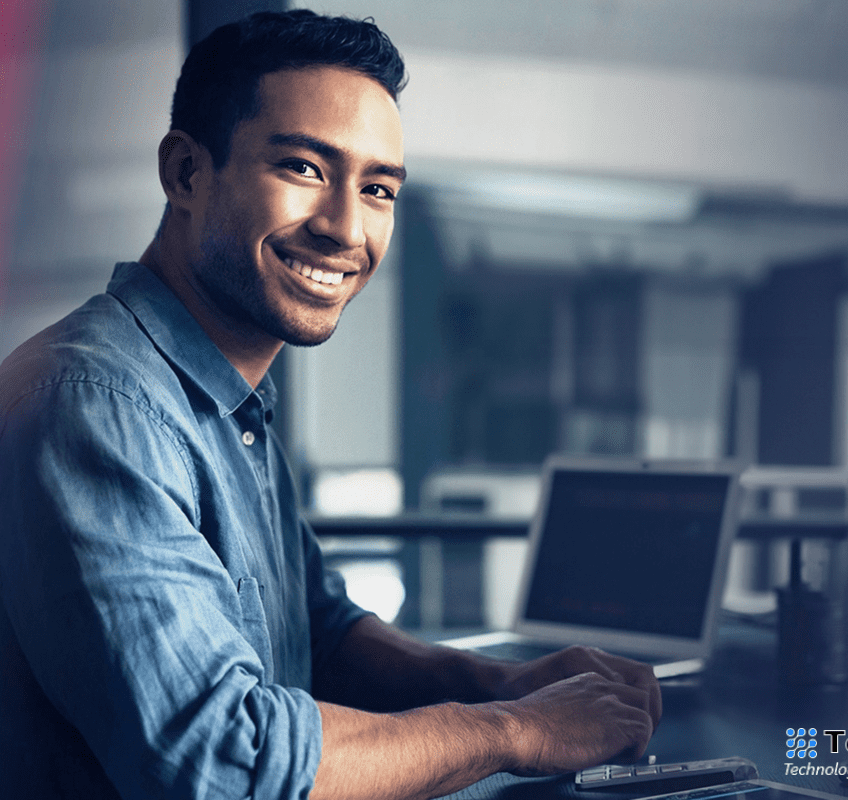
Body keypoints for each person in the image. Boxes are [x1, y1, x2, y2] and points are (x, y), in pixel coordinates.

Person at [0, 10, 660, 800]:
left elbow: (316, 630)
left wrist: (502, 682)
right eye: (304, 168)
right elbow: (224, 759)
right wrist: (517, 730)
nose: (346, 228)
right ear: (185, 173)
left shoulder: (225, 400)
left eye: (376, 189)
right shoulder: (95, 405)